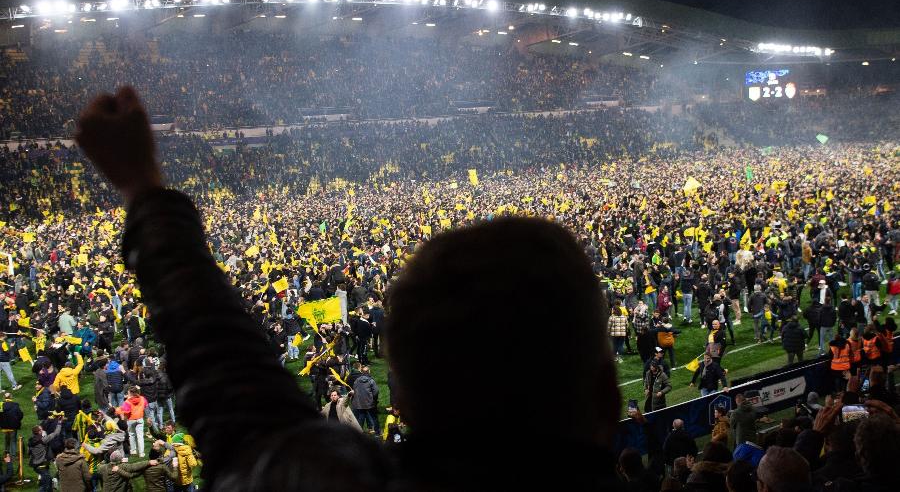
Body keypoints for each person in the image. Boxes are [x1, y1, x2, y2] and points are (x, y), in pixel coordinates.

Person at [76, 86, 625, 490]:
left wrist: (143, 187)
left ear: (403, 399)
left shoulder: (323, 478)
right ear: (608, 397)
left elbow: (223, 369)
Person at [28, 421, 62, 492]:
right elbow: (56, 433)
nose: (43, 430)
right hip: (41, 465)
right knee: (45, 486)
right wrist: (59, 423)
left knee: (49, 482)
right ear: (39, 432)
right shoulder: (43, 440)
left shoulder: (31, 440)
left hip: (36, 464)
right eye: (41, 429)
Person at [350, 365, 379, 434]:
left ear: (362, 372)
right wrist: (374, 399)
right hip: (370, 403)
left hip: (360, 403)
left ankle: (359, 432)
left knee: (361, 417)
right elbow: (376, 391)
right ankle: (377, 432)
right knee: (374, 417)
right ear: (369, 371)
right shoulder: (371, 381)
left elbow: (354, 389)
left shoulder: (357, 380)